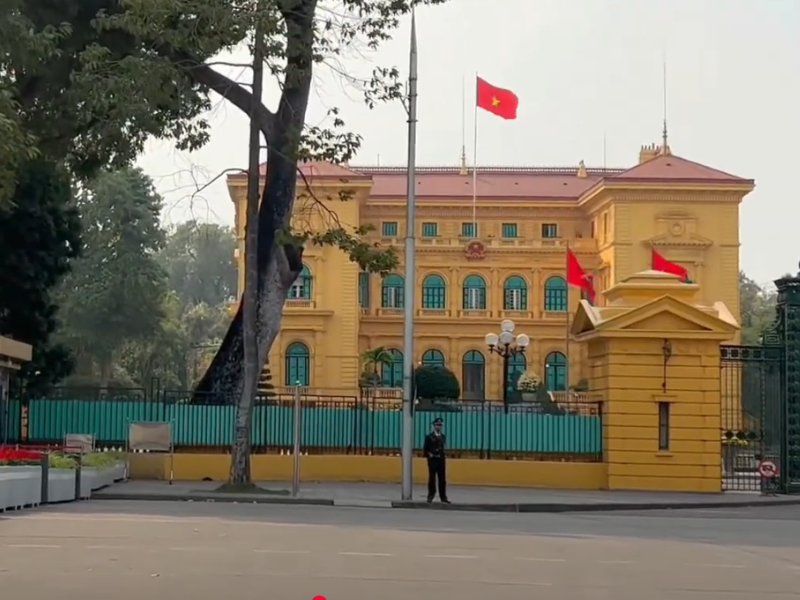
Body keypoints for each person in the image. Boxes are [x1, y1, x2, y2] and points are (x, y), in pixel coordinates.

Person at [423, 417, 450, 503]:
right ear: (434, 426)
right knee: (432, 478)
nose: (439, 427)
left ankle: (443, 497)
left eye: (440, 425)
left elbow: (443, 448)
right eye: (437, 425)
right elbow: (425, 450)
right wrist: (430, 455)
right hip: (433, 460)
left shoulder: (442, 436)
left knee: (442, 479)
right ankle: (431, 495)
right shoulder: (429, 437)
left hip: (441, 460)